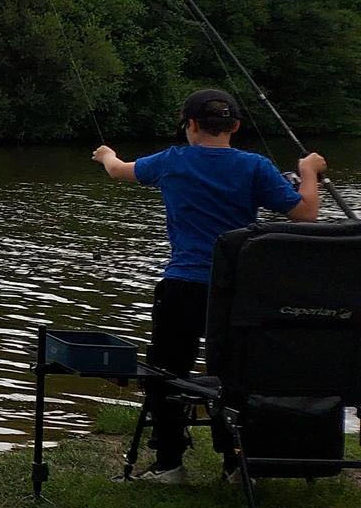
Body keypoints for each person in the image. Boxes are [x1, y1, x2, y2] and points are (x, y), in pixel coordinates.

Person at [91, 89, 325, 482]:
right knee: (235, 374)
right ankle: (237, 464)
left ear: (191, 124)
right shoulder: (255, 166)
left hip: (183, 286)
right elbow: (306, 213)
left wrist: (105, 154)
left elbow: (118, 170)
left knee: (165, 371)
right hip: (238, 292)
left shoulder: (172, 161)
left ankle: (170, 463)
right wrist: (309, 170)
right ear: (235, 126)